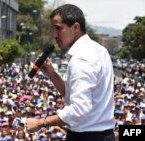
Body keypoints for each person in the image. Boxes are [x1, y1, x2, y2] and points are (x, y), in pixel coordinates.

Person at [25, 4, 115, 141]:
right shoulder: (98, 50)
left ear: (76, 28)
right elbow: (72, 96)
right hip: (102, 135)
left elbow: (79, 111)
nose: (54, 35)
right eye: (53, 29)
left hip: (87, 136)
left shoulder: (82, 58)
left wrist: (40, 123)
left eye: (58, 29)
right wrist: (52, 74)